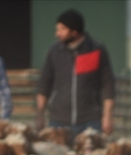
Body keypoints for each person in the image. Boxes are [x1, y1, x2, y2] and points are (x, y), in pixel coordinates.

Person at [36, 8, 115, 136]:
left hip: (90, 121)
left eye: (62, 29)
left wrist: (107, 116)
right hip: (59, 121)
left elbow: (108, 85)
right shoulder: (54, 51)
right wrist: (39, 116)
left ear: (74, 32)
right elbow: (44, 84)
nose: (57, 33)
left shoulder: (96, 50)